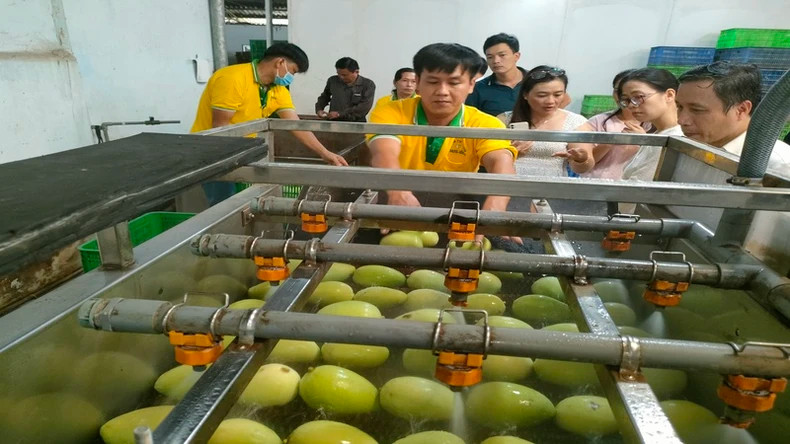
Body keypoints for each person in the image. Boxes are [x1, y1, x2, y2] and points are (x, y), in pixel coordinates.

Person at [366, 43, 518, 214]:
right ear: (418, 83)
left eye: (454, 82)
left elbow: (500, 160)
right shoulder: (391, 111)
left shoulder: (484, 123)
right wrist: (397, 192)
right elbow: (383, 152)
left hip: (458, 205)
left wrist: (497, 201)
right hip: (395, 197)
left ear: (471, 85)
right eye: (432, 81)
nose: (442, 91)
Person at [190, 43, 347, 205]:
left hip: (241, 152)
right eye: (292, 71)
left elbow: (295, 125)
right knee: (224, 205)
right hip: (213, 154)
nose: (291, 77)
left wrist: (325, 153)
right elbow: (221, 127)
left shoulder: (277, 90)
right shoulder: (233, 78)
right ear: (280, 63)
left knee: (242, 203)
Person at [676, 61, 790, 175]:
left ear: (741, 110)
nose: (681, 120)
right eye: (679, 107)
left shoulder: (778, 166)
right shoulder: (690, 148)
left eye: (697, 110)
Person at [560, 69, 651, 179]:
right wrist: (608, 142)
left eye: (633, 94)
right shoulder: (598, 121)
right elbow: (587, 163)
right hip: (595, 183)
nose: (623, 97)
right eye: (618, 91)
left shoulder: (650, 125)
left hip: (630, 185)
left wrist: (644, 141)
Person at [498, 66, 587, 178]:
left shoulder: (576, 122)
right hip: (509, 186)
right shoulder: (503, 120)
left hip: (552, 188)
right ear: (525, 94)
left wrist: (581, 160)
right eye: (542, 95)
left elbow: (583, 168)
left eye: (558, 95)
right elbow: (487, 161)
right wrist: (510, 153)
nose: (550, 101)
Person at [465, 33, 528, 117]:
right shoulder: (478, 89)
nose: (496, 61)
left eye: (502, 55)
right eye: (490, 57)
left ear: (516, 56)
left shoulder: (534, 81)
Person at [315, 57, 376, 122]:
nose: (341, 77)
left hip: (357, 124)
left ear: (356, 72)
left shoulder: (368, 84)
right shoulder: (333, 81)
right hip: (333, 122)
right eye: (338, 74)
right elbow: (325, 96)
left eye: (344, 75)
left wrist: (340, 114)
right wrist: (319, 109)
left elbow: (364, 107)